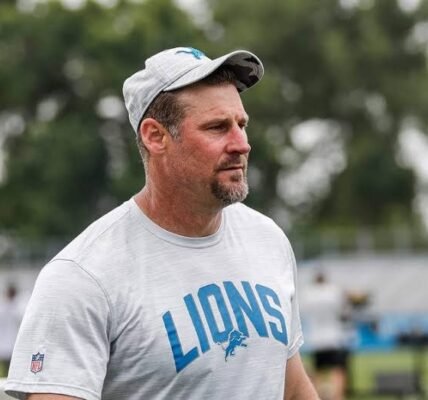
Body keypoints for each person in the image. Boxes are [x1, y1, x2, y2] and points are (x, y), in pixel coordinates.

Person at [5, 46, 319, 400]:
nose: (241, 144)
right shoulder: (84, 276)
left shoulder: (268, 240)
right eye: (217, 127)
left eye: (241, 125)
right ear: (155, 136)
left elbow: (293, 389)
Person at [300, 271, 352, 400]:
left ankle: (317, 396)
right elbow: (344, 311)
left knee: (319, 371)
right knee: (338, 370)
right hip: (334, 338)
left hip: (316, 339)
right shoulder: (333, 291)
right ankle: (337, 397)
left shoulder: (309, 294)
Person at [0, 284, 23, 377]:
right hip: (6, 343)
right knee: (5, 368)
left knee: (10, 368)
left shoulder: (18, 307)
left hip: (12, 343)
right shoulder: (4, 307)